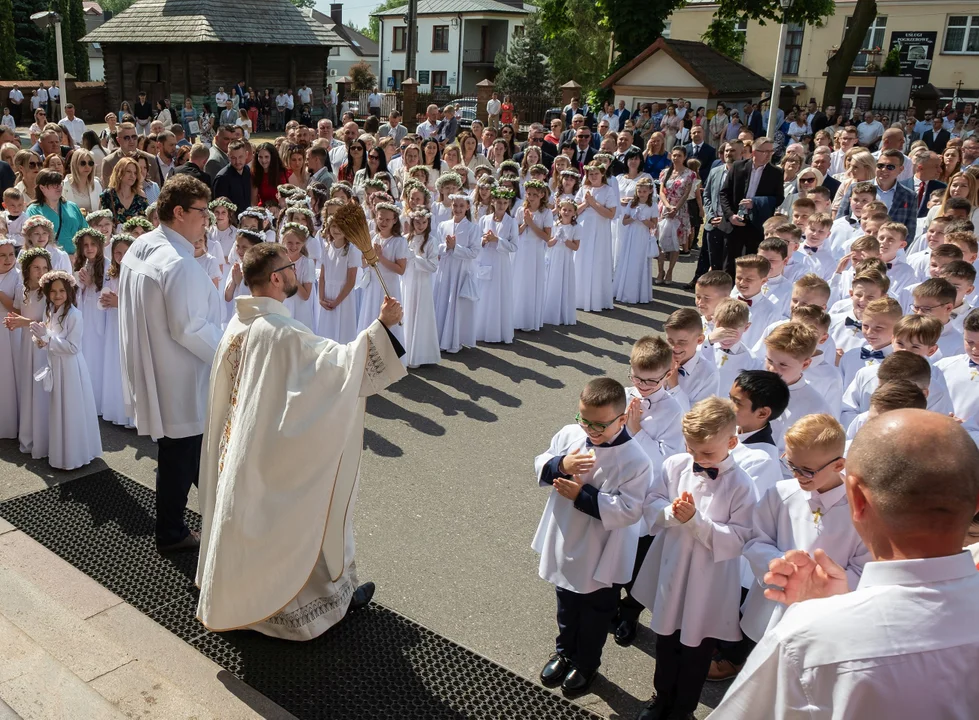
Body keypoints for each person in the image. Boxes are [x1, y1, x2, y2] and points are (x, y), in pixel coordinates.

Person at [196, 241, 406, 638]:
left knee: (249, 521)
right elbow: (338, 370)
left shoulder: (239, 323)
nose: (296, 270)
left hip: (239, 448)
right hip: (265, 451)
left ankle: (241, 603)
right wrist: (383, 327)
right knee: (291, 519)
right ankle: (295, 615)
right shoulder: (282, 332)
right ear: (276, 278)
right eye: (290, 265)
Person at [714, 410, 979, 718]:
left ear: (857, 497)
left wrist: (832, 593)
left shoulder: (805, 639)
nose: (798, 475)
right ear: (975, 504)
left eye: (807, 471)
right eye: (793, 467)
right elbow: (756, 539)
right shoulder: (781, 495)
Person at [118, 175, 224, 553]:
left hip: (157, 368)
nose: (207, 221)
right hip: (182, 377)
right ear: (179, 213)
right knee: (182, 458)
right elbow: (190, 328)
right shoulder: (178, 262)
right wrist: (232, 354)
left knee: (183, 457)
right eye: (201, 212)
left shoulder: (143, 244)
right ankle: (173, 533)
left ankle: (214, 520)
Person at [632, 396, 754, 720]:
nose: (698, 458)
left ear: (732, 441)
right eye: (692, 449)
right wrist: (669, 512)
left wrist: (696, 522)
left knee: (697, 651)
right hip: (673, 567)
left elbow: (740, 537)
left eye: (708, 453)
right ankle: (661, 698)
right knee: (666, 640)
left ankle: (683, 709)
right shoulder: (675, 466)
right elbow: (652, 502)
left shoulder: (741, 486)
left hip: (709, 579)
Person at [533, 377, 651, 696]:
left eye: (599, 425)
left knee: (596, 610)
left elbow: (630, 509)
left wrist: (583, 496)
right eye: (583, 419)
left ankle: (586, 663)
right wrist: (561, 464)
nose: (590, 430)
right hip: (567, 535)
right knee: (566, 602)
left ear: (622, 419)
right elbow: (541, 461)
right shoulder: (572, 434)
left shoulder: (636, 459)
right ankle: (564, 652)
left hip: (602, 549)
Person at [721, 137, 785, 276]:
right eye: (765, 151)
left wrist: (755, 202)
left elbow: (779, 198)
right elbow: (724, 193)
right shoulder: (738, 166)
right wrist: (730, 215)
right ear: (754, 152)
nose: (769, 155)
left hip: (757, 224)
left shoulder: (776, 173)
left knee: (751, 264)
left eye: (771, 151)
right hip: (735, 223)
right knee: (730, 264)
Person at [211, 140, 251, 215]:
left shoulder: (247, 171)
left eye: (240, 157)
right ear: (228, 156)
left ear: (246, 155)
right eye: (233, 158)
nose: (237, 161)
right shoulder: (222, 178)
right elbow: (220, 206)